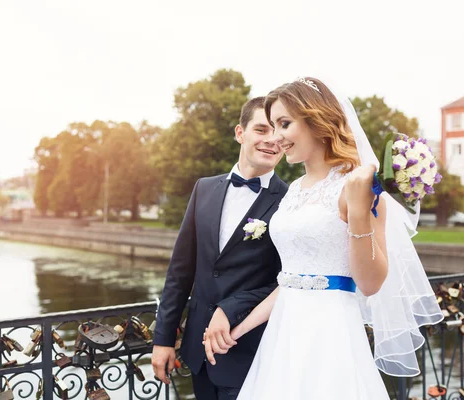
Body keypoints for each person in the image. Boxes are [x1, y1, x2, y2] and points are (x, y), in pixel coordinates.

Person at [204, 78, 443, 399]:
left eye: (284, 124)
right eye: (272, 126)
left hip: (329, 334)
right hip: (282, 336)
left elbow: (371, 284)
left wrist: (359, 211)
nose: (276, 138)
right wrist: (239, 329)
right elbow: (291, 282)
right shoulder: (294, 191)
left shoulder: (358, 186)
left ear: (316, 119)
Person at [151, 96, 289, 400]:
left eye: (278, 133)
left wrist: (231, 307)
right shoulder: (204, 188)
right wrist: (162, 339)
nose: (271, 141)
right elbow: (180, 270)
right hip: (197, 354)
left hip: (252, 353)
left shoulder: (291, 202)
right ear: (240, 133)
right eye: (261, 130)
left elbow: (291, 281)